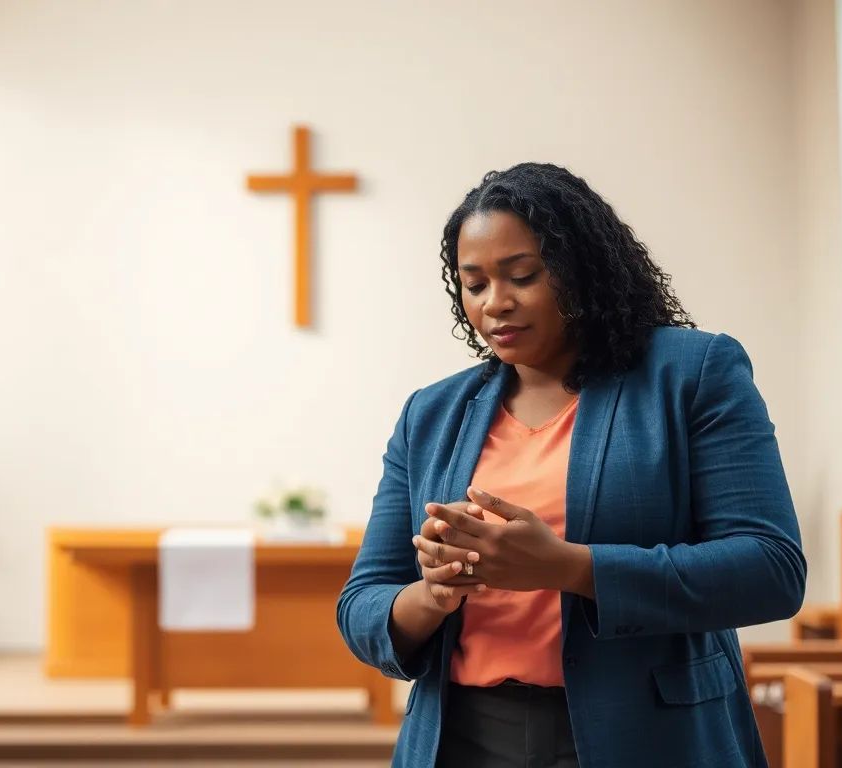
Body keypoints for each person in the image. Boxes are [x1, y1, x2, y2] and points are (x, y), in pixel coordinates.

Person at [336, 163, 806, 768]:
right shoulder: (431, 415)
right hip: (463, 738)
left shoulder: (690, 374)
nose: (495, 303)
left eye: (522, 276)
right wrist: (433, 593)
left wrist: (568, 566)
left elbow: (771, 569)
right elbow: (362, 604)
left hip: (648, 736)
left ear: (581, 267)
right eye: (473, 284)